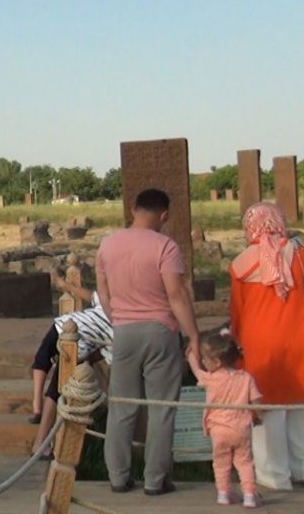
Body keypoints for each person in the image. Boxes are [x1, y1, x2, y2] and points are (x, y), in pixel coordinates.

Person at [97, 188, 200, 496]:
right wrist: (193, 335)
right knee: (161, 408)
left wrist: (118, 317)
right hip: (160, 330)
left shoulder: (107, 245)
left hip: (124, 331)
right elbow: (176, 295)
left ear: (133, 208)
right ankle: (156, 480)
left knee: (122, 407)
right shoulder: (165, 246)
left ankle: (118, 476)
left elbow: (103, 292)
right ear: (164, 215)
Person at [229, 202, 304, 491]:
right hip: (302, 337)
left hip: (259, 344)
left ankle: (274, 476)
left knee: (268, 410)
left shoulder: (241, 264)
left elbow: (237, 314)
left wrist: (237, 346)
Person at [28, 271, 113, 455]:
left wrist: (64, 285)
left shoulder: (111, 302)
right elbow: (103, 354)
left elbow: (91, 296)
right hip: (71, 336)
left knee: (45, 366)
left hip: (65, 326)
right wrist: (64, 285)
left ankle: (38, 413)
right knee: (55, 389)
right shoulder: (120, 321)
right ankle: (40, 437)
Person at [187, 329, 263, 508]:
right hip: (241, 429)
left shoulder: (211, 379)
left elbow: (196, 371)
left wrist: (191, 355)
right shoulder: (246, 378)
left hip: (218, 430)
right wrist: (258, 417)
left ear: (217, 362)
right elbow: (258, 402)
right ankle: (250, 495)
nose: (204, 362)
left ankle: (223, 493)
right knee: (244, 463)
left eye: (206, 359)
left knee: (221, 463)